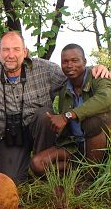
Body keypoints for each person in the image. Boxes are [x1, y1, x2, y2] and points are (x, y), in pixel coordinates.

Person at [0, 31, 110, 184]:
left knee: (43, 114)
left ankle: (47, 173)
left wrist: (96, 69)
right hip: (8, 137)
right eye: (6, 50)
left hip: (40, 129)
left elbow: (73, 72)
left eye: (16, 49)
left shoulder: (44, 69)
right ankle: (33, 169)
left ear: (25, 52)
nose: (11, 55)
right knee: (11, 180)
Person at [30, 44, 111, 176]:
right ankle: (79, 171)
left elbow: (106, 98)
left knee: (91, 121)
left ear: (84, 62)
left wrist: (68, 115)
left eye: (75, 60)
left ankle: (88, 177)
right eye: (65, 62)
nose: (69, 65)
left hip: (101, 144)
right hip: (75, 147)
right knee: (38, 163)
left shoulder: (98, 77)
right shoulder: (64, 90)